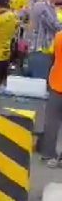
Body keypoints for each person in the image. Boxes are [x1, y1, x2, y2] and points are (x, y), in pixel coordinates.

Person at [26, 0, 62, 78]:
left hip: (45, 50)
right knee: (39, 84)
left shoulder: (50, 7)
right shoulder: (42, 6)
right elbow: (55, 26)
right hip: (40, 50)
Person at [40, 30, 62, 168]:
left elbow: (51, 56)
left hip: (57, 83)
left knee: (52, 121)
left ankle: (48, 153)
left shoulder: (59, 36)